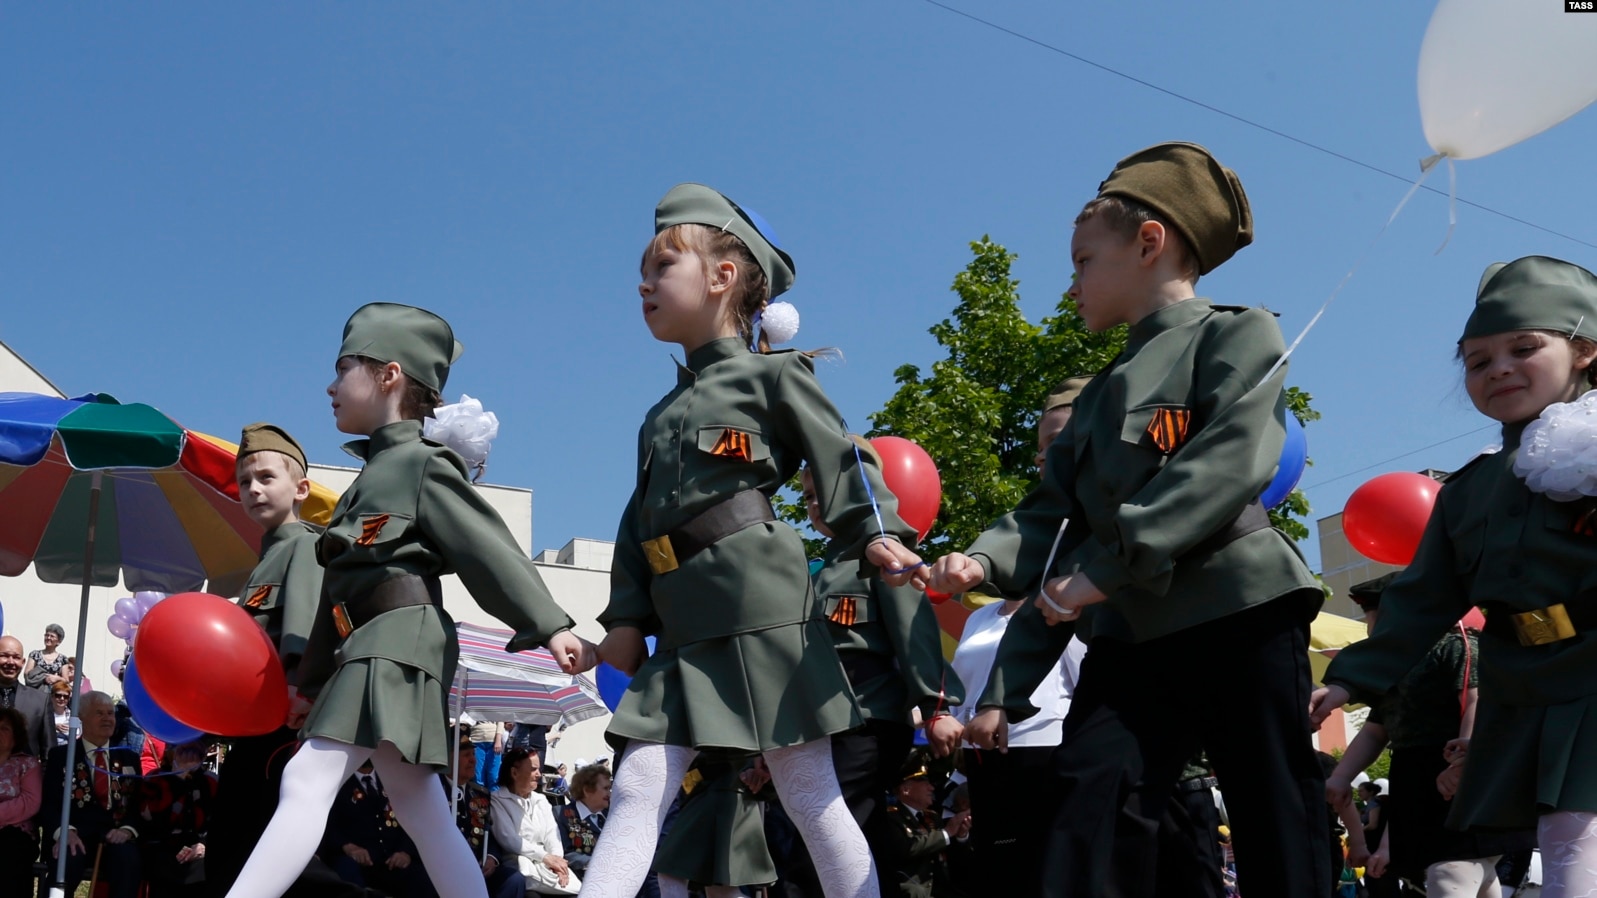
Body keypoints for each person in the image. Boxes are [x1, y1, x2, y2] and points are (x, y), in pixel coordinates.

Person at [928, 142, 1330, 898]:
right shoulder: (1094, 396)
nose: (1072, 281)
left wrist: (1097, 576)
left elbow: (1225, 464)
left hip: (1234, 603)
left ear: (1149, 244)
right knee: (1091, 795)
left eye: (1083, 260)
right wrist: (979, 561)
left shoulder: (1235, 333)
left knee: (1270, 804)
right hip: (1134, 627)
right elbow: (1048, 514)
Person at [584, 183, 927, 898]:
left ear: (722, 276)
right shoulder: (659, 414)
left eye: (660, 266)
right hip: (681, 618)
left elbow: (843, 458)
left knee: (806, 790)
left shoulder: (774, 375)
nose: (642, 283)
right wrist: (623, 618)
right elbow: (638, 520)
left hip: (758, 602)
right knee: (640, 782)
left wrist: (877, 533)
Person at [222, 302, 591, 898]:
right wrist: (312, 685)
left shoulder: (420, 464)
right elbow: (335, 602)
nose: (330, 386)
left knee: (307, 778)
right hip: (374, 640)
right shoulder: (363, 485)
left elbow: (487, 548)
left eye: (344, 369)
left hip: (399, 636)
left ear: (389, 375)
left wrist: (549, 624)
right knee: (418, 804)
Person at [1312, 256, 1597, 897]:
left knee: (1576, 842)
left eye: (1524, 348)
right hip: (1523, 682)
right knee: (1559, 841)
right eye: (1476, 360)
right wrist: (1348, 680)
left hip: (1593, 669)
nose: (1498, 368)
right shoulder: (1469, 491)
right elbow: (1421, 598)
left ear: (1584, 351)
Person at [772, 456, 963, 897]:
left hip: (868, 719)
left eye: (824, 492)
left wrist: (937, 707)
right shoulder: (819, 569)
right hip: (823, 722)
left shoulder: (883, 553)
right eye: (808, 497)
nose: (815, 506)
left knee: (820, 843)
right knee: (855, 841)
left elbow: (913, 634)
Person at [933, 377, 1090, 897]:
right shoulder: (981, 619)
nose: (1045, 460)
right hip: (983, 758)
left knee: (1050, 868)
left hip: (1044, 750)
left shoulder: (1064, 598)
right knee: (1001, 871)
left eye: (1058, 445)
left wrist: (1008, 709)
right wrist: (953, 722)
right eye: (1040, 449)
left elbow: (1082, 680)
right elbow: (962, 686)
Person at [1326, 574, 1531, 896]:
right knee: (1469, 873)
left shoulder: (1456, 644)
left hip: (1456, 772)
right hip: (1416, 775)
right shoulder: (1394, 664)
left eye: (1373, 616)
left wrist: (1463, 761)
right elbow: (1377, 728)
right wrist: (1341, 777)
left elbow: (1479, 698)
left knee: (1452, 870)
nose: (1370, 628)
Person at [209, 422, 324, 897]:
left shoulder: (303, 545)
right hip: (253, 727)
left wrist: (299, 688)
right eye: (244, 482)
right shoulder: (265, 556)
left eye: (265, 478)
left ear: (300, 488)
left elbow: (303, 625)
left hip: (282, 727)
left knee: (252, 851)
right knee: (239, 851)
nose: (253, 489)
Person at [42, 690, 143, 898]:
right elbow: (50, 803)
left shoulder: (129, 758)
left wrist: (127, 829)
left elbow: (138, 804)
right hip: (75, 835)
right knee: (67, 859)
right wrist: (65, 832)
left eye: (110, 713)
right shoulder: (62, 756)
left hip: (116, 836)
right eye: (99, 713)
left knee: (128, 861)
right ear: (82, 718)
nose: (107, 718)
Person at [417, 730, 526, 898]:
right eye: (466, 755)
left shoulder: (480, 794)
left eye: (474, 754)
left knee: (513, 879)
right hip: (441, 868)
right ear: (449, 758)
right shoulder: (432, 791)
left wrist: (491, 858)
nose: (473, 760)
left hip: (477, 867)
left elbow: (490, 833)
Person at [873, 750, 970, 898]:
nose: (931, 787)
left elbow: (949, 854)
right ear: (906, 789)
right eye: (924, 782)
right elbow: (906, 848)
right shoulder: (890, 818)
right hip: (912, 893)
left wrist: (961, 835)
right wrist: (947, 832)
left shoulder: (932, 817)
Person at [324, 761, 428, 897]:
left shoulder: (391, 780)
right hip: (359, 862)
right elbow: (329, 826)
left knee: (422, 877)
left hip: (392, 861)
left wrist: (405, 852)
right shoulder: (338, 783)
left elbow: (411, 820)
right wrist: (348, 847)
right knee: (346, 872)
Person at [491, 748, 579, 895]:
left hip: (548, 869)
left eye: (539, 769)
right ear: (514, 773)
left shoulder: (541, 800)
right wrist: (545, 857)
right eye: (533, 769)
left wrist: (557, 863)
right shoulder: (498, 800)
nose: (539, 774)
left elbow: (552, 834)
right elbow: (510, 840)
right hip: (521, 870)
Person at [140, 740, 217, 898]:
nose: (190, 756)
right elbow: (154, 822)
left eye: (196, 751)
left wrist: (204, 845)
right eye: (184, 751)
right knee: (163, 865)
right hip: (162, 846)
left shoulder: (211, 781)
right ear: (171, 752)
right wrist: (178, 781)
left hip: (199, 847)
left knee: (208, 866)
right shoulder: (154, 780)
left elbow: (220, 822)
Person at [0, 706, 43, 898]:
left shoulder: (28, 764)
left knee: (9, 854)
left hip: (16, 833)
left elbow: (30, 801)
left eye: (4, 728)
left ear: (16, 736)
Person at [0, 636, 53, 759]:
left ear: (23, 662)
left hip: (26, 776)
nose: (11, 662)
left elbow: (49, 751)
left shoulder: (40, 701)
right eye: (5, 656)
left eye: (16, 657)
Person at [556, 763, 611, 876]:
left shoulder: (612, 815)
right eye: (606, 788)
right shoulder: (562, 814)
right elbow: (565, 853)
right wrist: (596, 864)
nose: (609, 794)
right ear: (587, 790)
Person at [24, 623, 69, 692]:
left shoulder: (63, 659)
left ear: (58, 641)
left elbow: (66, 680)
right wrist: (43, 677)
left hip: (52, 695)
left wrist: (57, 678)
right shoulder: (35, 654)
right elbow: (27, 674)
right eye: (47, 635)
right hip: (34, 692)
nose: (48, 638)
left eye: (52, 636)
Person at [50, 681, 72, 746]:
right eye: (58, 695)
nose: (62, 699)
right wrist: (53, 727)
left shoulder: (73, 716)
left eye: (66, 697)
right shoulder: (46, 715)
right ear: (52, 696)